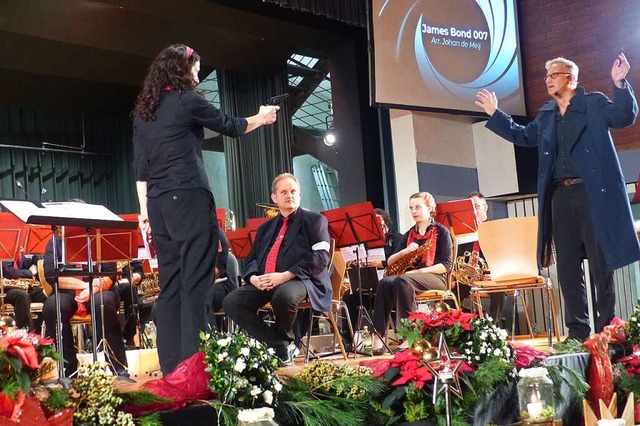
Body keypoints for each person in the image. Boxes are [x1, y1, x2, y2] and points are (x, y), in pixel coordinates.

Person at [132, 44, 280, 374]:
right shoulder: (187, 100)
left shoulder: (144, 113)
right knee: (197, 284)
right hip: (187, 198)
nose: (198, 76)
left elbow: (140, 169)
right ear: (181, 71)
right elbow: (231, 125)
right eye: (195, 69)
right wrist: (262, 118)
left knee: (170, 287)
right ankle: (195, 370)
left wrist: (143, 213)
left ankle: (173, 370)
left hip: (157, 206)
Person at [475, 53, 639, 340]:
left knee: (601, 265)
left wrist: (619, 82)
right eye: (547, 75)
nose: (548, 80)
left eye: (554, 75)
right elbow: (524, 136)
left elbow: (624, 116)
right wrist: (496, 115)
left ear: (571, 78)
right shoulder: (548, 114)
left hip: (592, 194)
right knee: (567, 266)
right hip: (560, 197)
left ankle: (606, 331)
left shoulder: (593, 103)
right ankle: (577, 332)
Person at [223, 173, 332, 366]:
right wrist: (254, 278)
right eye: (283, 192)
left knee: (283, 296)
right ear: (274, 198)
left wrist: (285, 275)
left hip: (301, 279)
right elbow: (253, 257)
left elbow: (321, 257)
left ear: (300, 194)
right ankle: (280, 345)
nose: (289, 195)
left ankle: (284, 343)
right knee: (232, 301)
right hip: (267, 280)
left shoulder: (315, 220)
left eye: (293, 191)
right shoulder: (265, 227)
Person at [371, 192, 453, 354]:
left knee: (403, 280)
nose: (414, 211)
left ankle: (408, 335)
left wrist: (421, 271)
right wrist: (405, 251)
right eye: (411, 208)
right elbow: (391, 260)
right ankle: (378, 335)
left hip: (436, 277)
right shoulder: (409, 234)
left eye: (418, 207)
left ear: (429, 208)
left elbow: (446, 265)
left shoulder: (441, 232)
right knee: (384, 282)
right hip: (409, 278)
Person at [42, 235, 127, 377]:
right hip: (69, 291)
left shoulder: (100, 239)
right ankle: (68, 369)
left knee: (103, 303)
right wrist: (84, 286)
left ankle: (118, 366)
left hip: (98, 289)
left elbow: (110, 273)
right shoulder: (55, 243)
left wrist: (92, 288)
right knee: (53, 306)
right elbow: (51, 275)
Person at [456, 192, 506, 323]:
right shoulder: (463, 233)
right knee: (449, 294)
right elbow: (457, 259)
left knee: (499, 292)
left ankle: (491, 328)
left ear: (485, 207)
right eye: (470, 208)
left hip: (491, 278)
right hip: (467, 280)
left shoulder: (497, 230)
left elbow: (506, 257)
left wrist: (496, 274)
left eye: (476, 206)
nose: (473, 211)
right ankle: (470, 322)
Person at [1, 255, 47, 331]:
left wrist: (37, 261)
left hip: (23, 285)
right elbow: (6, 271)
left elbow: (27, 261)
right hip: (5, 288)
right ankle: (26, 334)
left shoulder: (22, 244)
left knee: (46, 294)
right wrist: (29, 272)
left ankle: (40, 333)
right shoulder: (6, 249)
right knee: (22, 296)